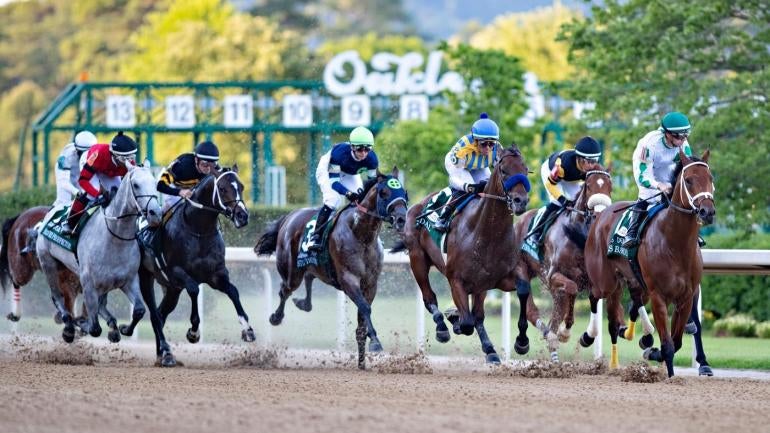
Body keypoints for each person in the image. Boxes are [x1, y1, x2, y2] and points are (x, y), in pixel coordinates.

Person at [622, 111, 693, 248]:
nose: (683, 140)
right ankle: (631, 233)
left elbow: (688, 167)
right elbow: (643, 177)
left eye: (686, 135)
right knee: (648, 196)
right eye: (679, 136)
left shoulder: (683, 144)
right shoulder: (650, 144)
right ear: (667, 133)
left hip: (666, 167)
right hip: (646, 168)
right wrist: (659, 185)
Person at [307, 126, 379, 252]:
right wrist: (347, 193)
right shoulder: (339, 154)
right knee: (333, 200)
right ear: (352, 147)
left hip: (350, 173)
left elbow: (372, 184)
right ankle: (316, 236)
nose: (363, 153)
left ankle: (362, 235)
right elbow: (335, 183)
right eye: (360, 149)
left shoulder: (372, 159)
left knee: (361, 202)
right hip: (327, 169)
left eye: (367, 149)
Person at [60, 131, 138, 236]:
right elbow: (83, 180)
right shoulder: (97, 155)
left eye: (131, 157)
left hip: (109, 170)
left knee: (119, 195)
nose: (130, 162)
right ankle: (69, 223)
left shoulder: (129, 162)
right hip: (93, 164)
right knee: (90, 195)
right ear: (114, 155)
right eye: (125, 159)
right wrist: (97, 195)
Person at [528, 136, 602, 244]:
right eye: (588, 161)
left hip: (572, 178)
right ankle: (536, 231)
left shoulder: (593, 167)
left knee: (577, 202)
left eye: (594, 161)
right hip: (551, 173)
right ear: (579, 158)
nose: (591, 166)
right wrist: (562, 199)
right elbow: (551, 184)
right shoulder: (561, 166)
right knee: (556, 203)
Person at [433, 112, 499, 233]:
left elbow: (501, 170)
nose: (488, 148)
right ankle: (443, 217)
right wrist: (468, 186)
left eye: (491, 144)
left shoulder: (497, 148)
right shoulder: (463, 147)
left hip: (478, 166)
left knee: (490, 187)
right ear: (475, 140)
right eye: (484, 144)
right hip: (459, 165)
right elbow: (454, 178)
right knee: (470, 190)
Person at [157, 141, 220, 213]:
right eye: (205, 164)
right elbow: (160, 186)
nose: (208, 169)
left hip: (191, 186)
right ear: (196, 160)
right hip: (173, 184)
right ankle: (158, 220)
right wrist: (179, 192)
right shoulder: (181, 167)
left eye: (212, 164)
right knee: (174, 205)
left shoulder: (214, 168)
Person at [54, 131, 98, 208]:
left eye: (89, 153)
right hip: (66, 174)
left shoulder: (96, 153)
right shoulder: (66, 157)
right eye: (84, 153)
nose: (86, 157)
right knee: (64, 202)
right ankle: (51, 215)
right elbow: (64, 182)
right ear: (77, 150)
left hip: (80, 171)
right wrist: (78, 192)